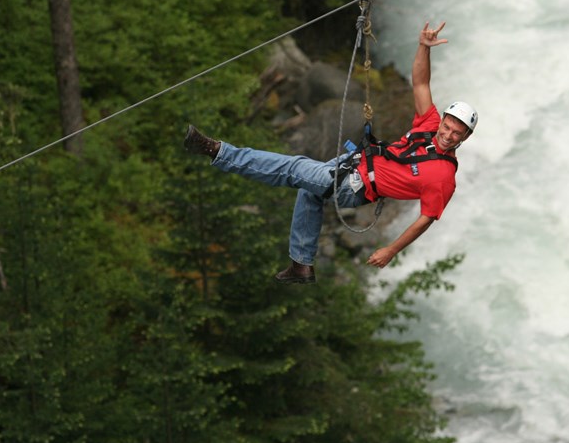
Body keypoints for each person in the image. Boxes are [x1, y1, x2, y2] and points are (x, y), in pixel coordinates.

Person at [183, 21, 477, 284]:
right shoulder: (429, 123)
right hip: (352, 163)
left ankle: (218, 151)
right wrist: (424, 47)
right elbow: (421, 82)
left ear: (464, 137)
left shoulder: (443, 177)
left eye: (456, 133)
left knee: (293, 169)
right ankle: (301, 264)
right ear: (444, 120)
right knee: (308, 192)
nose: (448, 134)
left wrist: (391, 249)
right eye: (449, 126)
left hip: (355, 186)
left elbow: (425, 218)